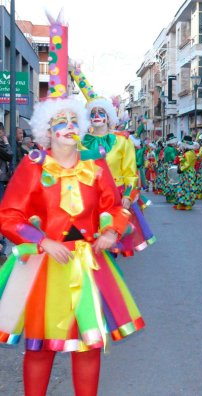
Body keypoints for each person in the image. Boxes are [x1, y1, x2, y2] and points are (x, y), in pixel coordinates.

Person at [0, 96, 144, 396]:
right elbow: (9, 215)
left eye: (73, 121)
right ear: (47, 132)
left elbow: (117, 208)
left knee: (88, 346)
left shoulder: (96, 164)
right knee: (40, 347)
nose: (68, 127)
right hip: (44, 267)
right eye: (59, 123)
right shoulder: (33, 166)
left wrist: (110, 232)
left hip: (88, 264)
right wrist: (42, 241)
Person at [75, 67, 155, 256]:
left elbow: (130, 172)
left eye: (101, 113)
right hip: (87, 197)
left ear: (108, 117)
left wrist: (127, 195)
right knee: (86, 243)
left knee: (108, 245)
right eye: (93, 113)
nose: (96, 116)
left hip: (113, 198)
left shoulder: (122, 140)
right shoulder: (80, 141)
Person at [173, 136, 198, 210]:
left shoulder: (189, 153)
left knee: (188, 188)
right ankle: (183, 202)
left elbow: (187, 164)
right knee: (183, 188)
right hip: (186, 173)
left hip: (188, 173)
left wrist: (180, 169)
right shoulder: (189, 152)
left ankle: (188, 204)